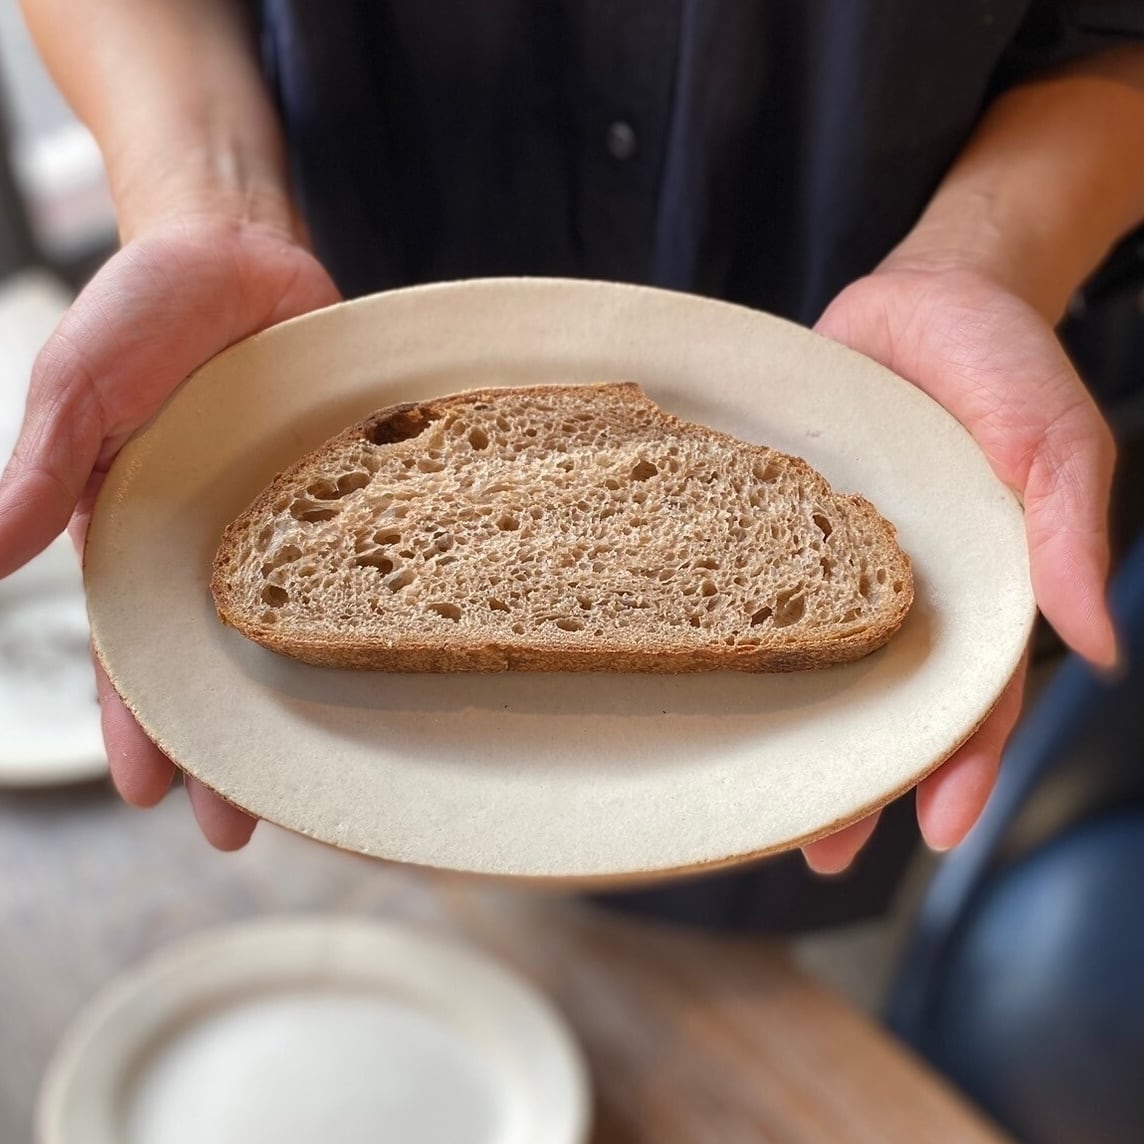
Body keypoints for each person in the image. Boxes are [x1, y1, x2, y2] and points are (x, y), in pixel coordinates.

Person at [1, 0, 1140, 883]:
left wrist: (981, 260)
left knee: (771, 921)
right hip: (320, 325)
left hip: (899, 392)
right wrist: (213, 201)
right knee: (398, 875)